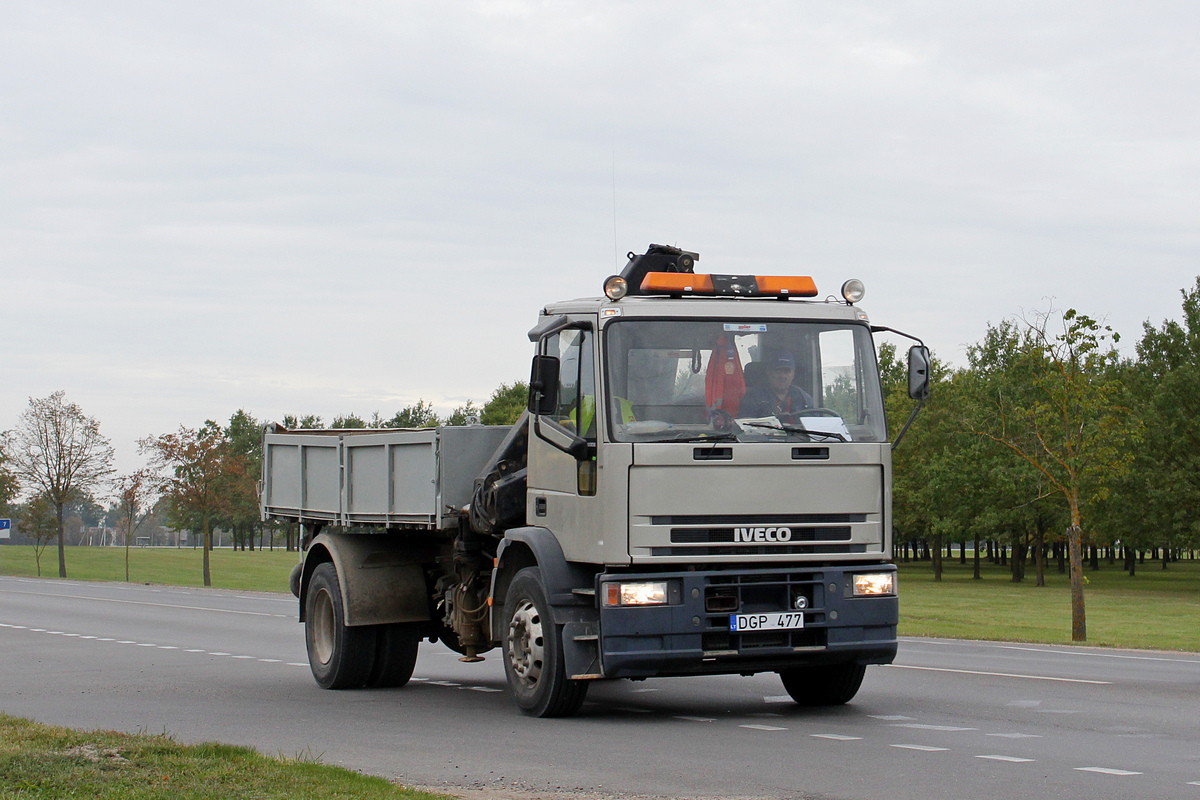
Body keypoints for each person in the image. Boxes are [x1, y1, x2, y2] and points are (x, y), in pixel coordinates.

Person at [739, 352, 813, 419]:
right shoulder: (753, 397)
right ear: (768, 373)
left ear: (793, 374)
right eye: (778, 371)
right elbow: (745, 427)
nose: (782, 376)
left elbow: (813, 426)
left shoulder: (804, 399)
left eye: (787, 371)